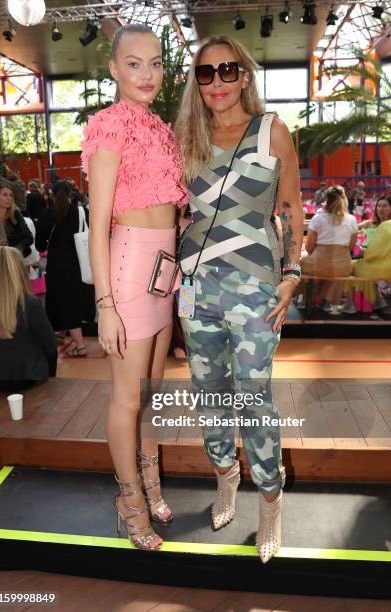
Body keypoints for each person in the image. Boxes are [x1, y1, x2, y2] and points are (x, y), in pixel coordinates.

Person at [175, 35, 303, 563]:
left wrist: (292, 273)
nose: (218, 83)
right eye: (206, 74)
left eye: (228, 71)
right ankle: (226, 475)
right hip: (196, 288)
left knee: (253, 399)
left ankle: (270, 500)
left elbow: (293, 207)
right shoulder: (185, 136)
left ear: (244, 75)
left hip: (255, 291)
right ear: (197, 84)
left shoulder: (271, 131)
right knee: (209, 394)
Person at [81, 24, 189, 550]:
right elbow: (98, 222)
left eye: (155, 63)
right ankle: (129, 501)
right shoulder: (107, 126)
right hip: (126, 271)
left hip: (164, 273)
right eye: (133, 63)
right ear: (113, 69)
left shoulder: (163, 129)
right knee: (127, 398)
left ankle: (151, 481)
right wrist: (104, 304)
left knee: (151, 393)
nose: (146, 74)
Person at [0, 246, 57, 391]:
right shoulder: (31, 304)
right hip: (25, 378)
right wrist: (51, 375)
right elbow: (51, 346)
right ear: (20, 271)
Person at [35, 180, 94, 356]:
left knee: (64, 302)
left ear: (51, 194)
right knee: (72, 299)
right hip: (79, 263)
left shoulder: (46, 214)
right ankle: (60, 334)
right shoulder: (82, 212)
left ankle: (80, 346)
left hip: (57, 266)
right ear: (71, 194)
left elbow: (39, 245)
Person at [300, 185, 358, 311]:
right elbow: (351, 247)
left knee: (301, 261)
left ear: (326, 200)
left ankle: (305, 299)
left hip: (319, 264)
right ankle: (325, 300)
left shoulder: (317, 218)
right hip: (342, 265)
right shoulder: (352, 220)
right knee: (337, 269)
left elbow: (309, 248)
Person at [0, 182, 33, 257]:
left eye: (11, 195)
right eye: (5, 195)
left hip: (17, 256)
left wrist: (16, 250)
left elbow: (29, 237)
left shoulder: (15, 213)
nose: (9, 198)